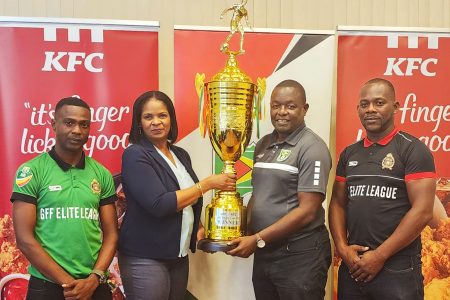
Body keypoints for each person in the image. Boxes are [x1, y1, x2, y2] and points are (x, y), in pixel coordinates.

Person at [117, 91, 236, 300]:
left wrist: (198, 228)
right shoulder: (135, 154)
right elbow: (159, 204)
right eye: (148, 117)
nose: (156, 122)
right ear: (139, 122)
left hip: (178, 255)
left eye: (162, 115)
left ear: (171, 118)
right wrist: (207, 184)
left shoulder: (180, 155)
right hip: (145, 257)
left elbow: (187, 199)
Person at [329, 78, 436, 299]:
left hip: (397, 269)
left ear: (395, 107)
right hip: (354, 267)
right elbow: (338, 203)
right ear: (358, 108)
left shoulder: (413, 150)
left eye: (379, 103)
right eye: (364, 104)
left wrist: (380, 255)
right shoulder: (349, 154)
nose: (370, 109)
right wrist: (342, 248)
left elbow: (423, 211)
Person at [227, 80, 332, 300]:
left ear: (305, 109)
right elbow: (258, 194)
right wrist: (240, 233)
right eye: (276, 106)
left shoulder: (313, 148)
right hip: (266, 250)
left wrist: (256, 238)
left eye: (290, 106)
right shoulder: (263, 144)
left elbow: (308, 211)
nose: (281, 112)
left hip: (300, 255)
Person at [11, 97, 118, 300]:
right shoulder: (31, 171)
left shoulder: (101, 173)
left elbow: (111, 235)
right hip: (47, 285)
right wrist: (69, 284)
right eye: (69, 122)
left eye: (84, 124)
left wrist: (94, 278)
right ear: (54, 124)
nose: (77, 130)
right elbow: (24, 239)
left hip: (93, 284)